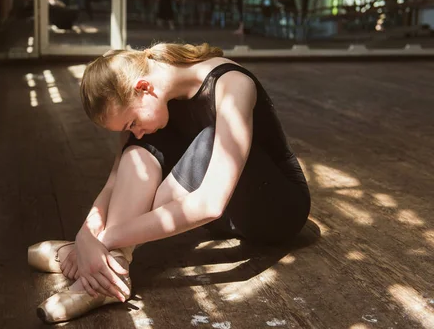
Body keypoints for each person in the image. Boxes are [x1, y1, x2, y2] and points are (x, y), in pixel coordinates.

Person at [29, 43, 311, 323]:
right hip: (226, 217)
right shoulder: (152, 97)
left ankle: (106, 272)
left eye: (131, 122)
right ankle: (111, 271)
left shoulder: (231, 84)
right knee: (142, 146)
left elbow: (211, 204)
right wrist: (85, 234)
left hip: (275, 211)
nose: (135, 130)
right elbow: (116, 179)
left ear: (144, 87)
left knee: (210, 141)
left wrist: (104, 241)